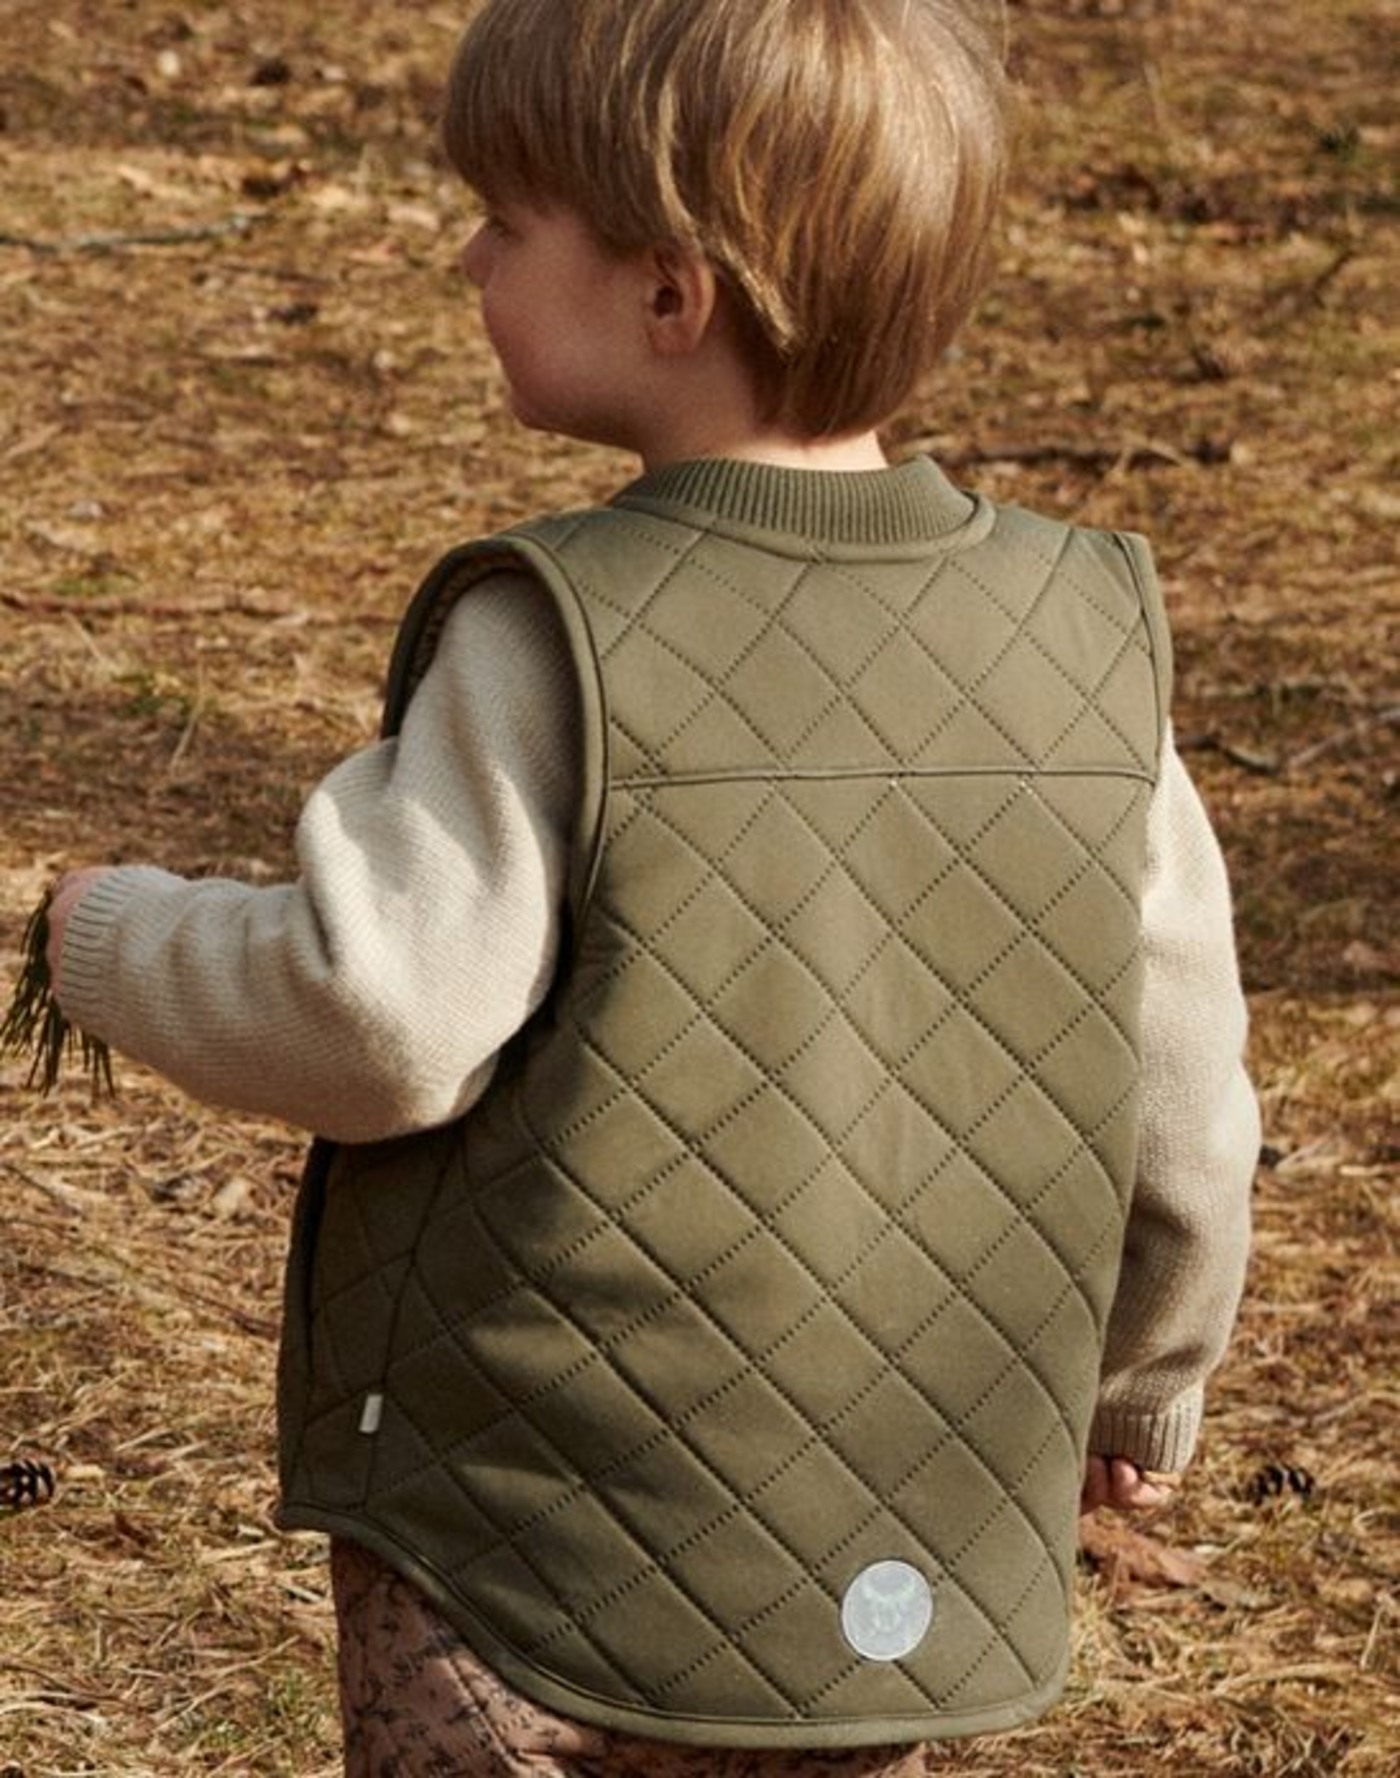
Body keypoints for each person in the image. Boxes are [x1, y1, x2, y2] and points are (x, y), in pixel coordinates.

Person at [43, 1, 1259, 1772]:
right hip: (887, 1570)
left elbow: (374, 1013)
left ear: (672, 294)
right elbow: (1185, 1104)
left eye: (504, 220)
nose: (468, 259)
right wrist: (1141, 1381)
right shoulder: (1091, 648)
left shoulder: (552, 637)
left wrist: (103, 934)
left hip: (517, 1551)